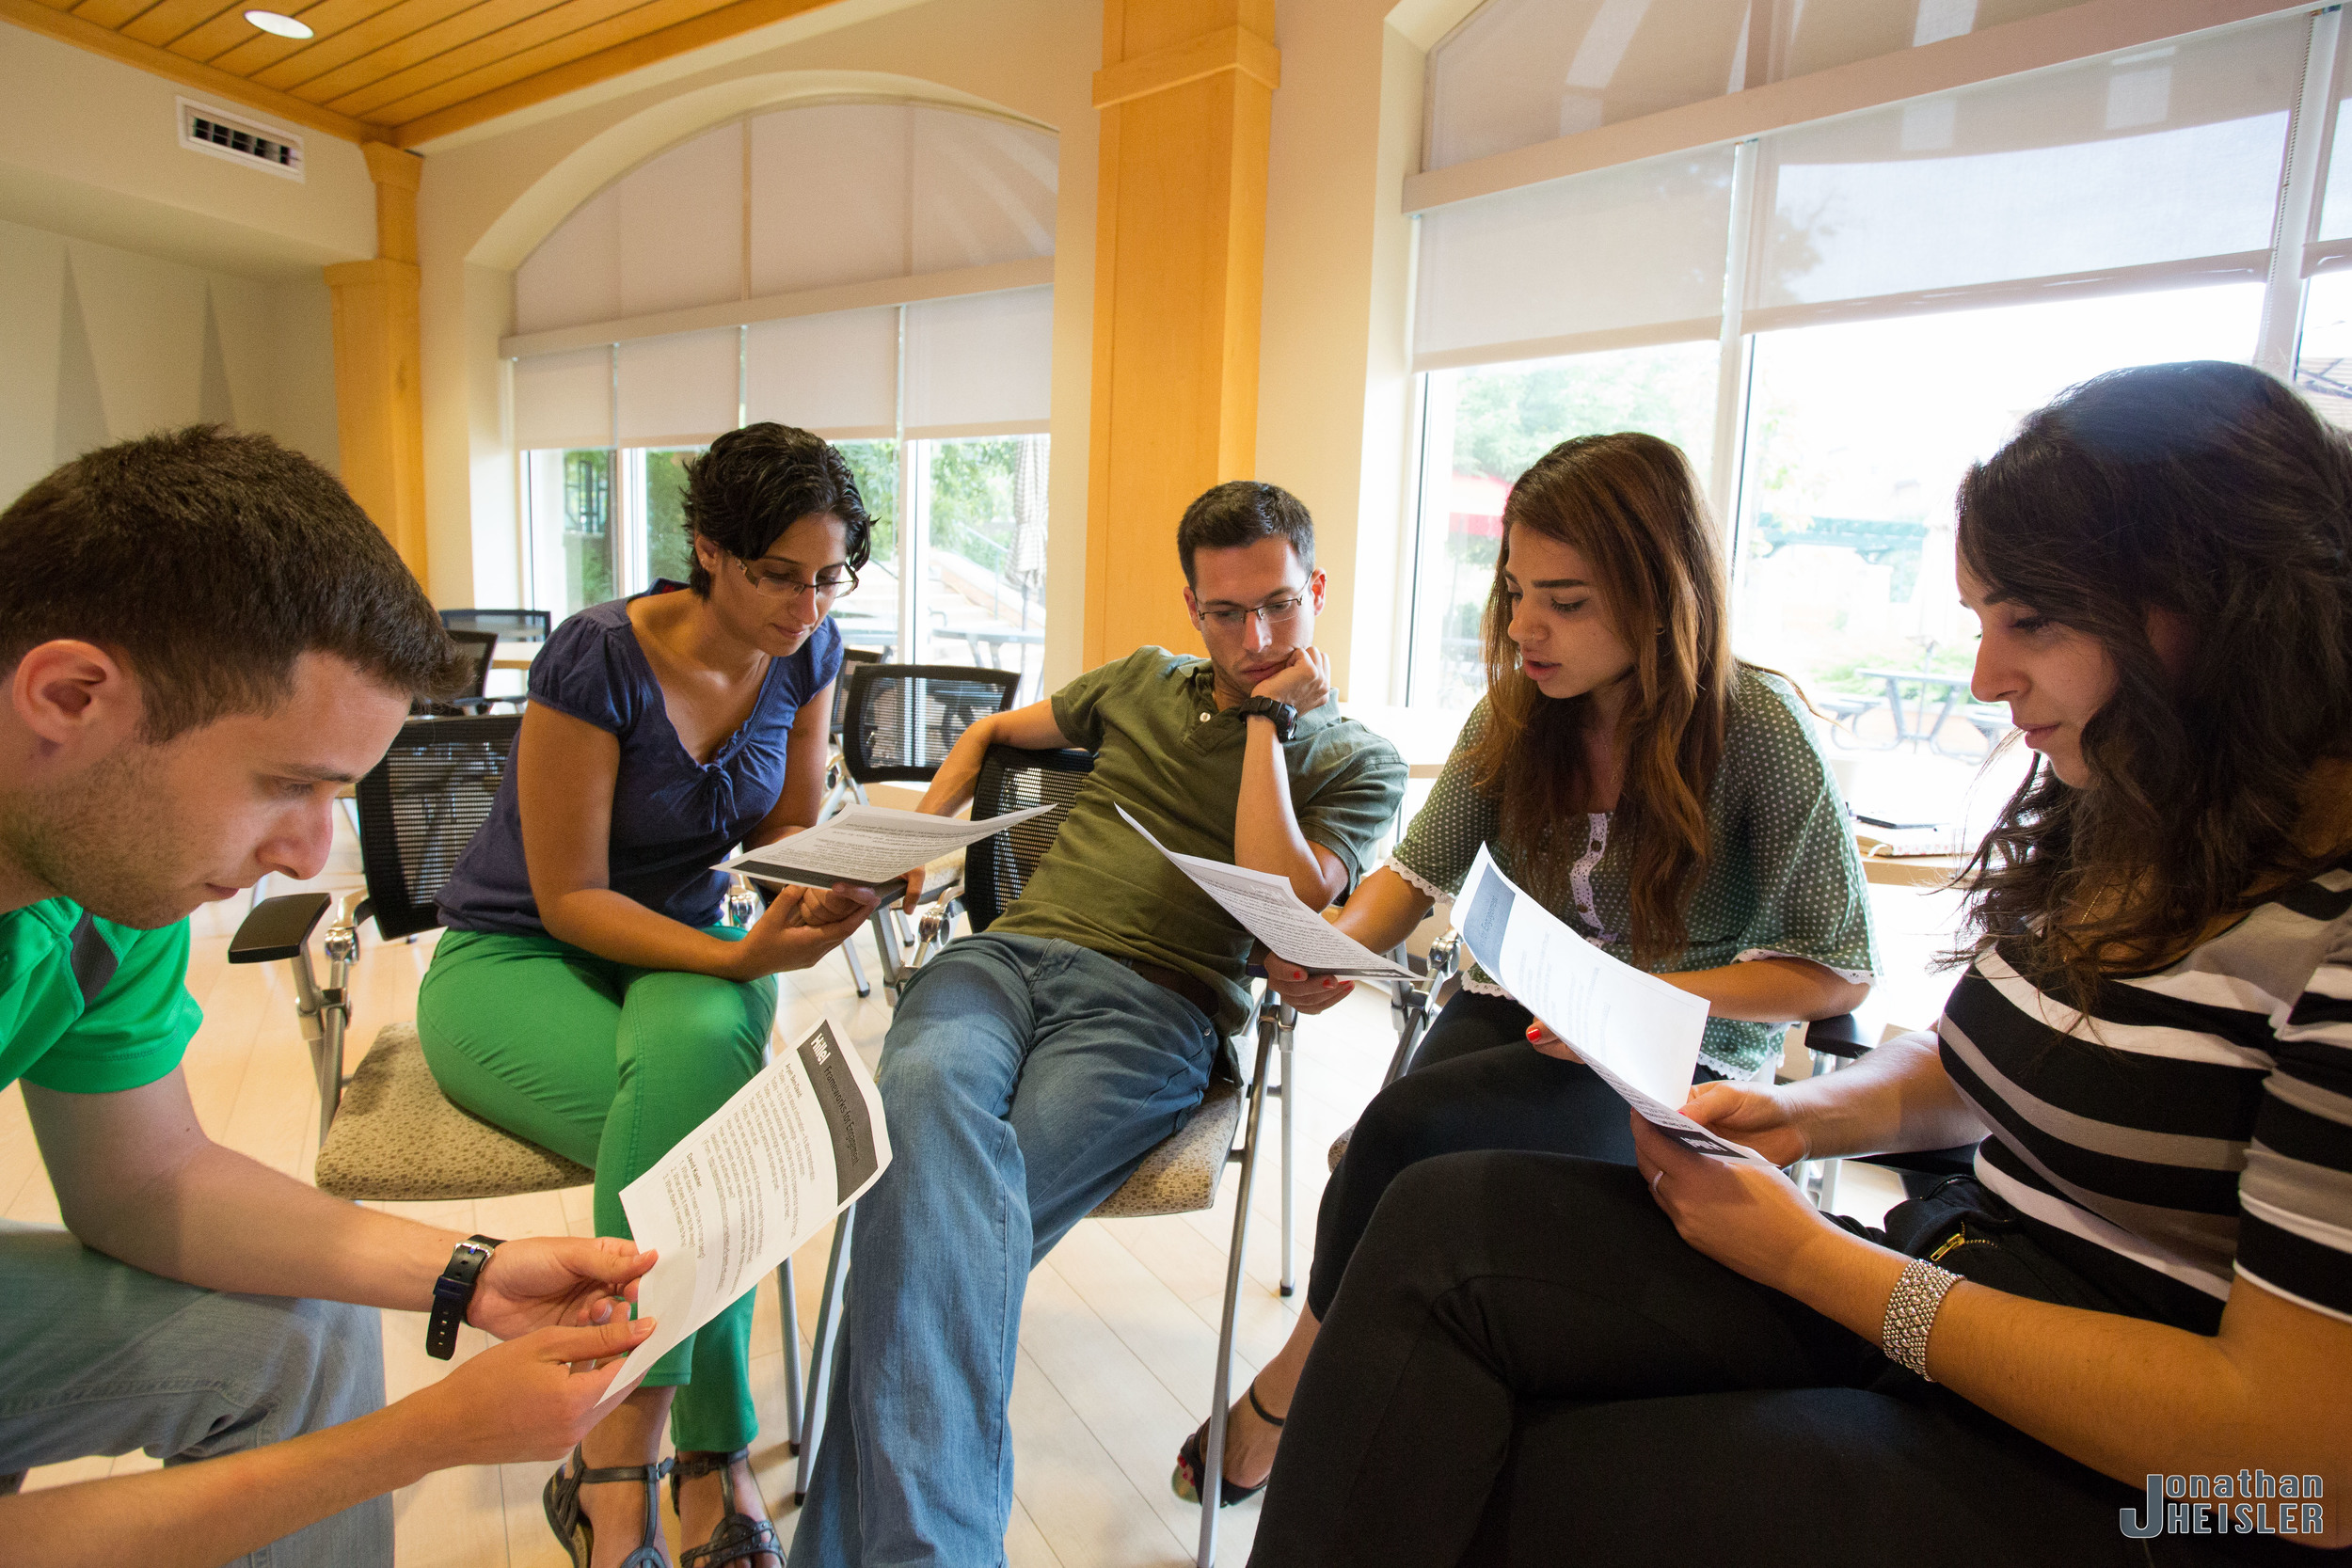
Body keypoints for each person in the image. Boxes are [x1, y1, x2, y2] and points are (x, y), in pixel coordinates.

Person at [1246, 362, 2352, 1565]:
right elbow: (1982, 1066)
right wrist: (1801, 1113)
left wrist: (1816, 1259)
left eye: (2029, 621)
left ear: (2222, 607)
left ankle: (1279, 1409)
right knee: (1439, 1219)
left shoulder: (2325, 937)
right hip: (1968, 1279)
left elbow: (2309, 1472)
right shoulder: (2129, 803)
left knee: (1511, 1478)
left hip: (2160, 1484)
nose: (1983, 678)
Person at [0, 427, 663, 1568]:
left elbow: (146, 1179)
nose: (310, 854)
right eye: (284, 784)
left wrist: (469, 1268)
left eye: (337, 795)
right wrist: (411, 1442)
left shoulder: (104, 886)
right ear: (68, 694)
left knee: (297, 1332)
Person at [1174, 431, 1876, 1505]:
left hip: (1669, 1054)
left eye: (1566, 600)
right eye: (1513, 592)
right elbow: (1411, 876)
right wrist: (1328, 954)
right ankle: (1364, 1402)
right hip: (1516, 1015)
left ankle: (1289, 1388)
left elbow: (1835, 969)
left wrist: (1635, 996)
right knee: (1400, 1155)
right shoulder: (1516, 713)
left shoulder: (1757, 728)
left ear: (1659, 593)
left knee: (1400, 1143)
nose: (1523, 628)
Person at [785, 480, 1406, 1566]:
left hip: (1156, 1005)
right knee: (923, 1114)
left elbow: (1292, 894)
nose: (1254, 636)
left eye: (1276, 606)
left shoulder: (1356, 758)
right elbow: (988, 728)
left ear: (1315, 589)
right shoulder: (1139, 678)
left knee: (929, 1217)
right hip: (1001, 960)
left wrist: (1268, 719)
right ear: (1190, 605)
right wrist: (917, 835)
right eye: (1224, 613)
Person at [417, 423, 895, 1568]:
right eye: (781, 572)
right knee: (715, 1148)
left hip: (686, 940)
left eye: (831, 576)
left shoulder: (809, 654)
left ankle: (611, 1460)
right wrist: (742, 961)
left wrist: (851, 863)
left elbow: (782, 830)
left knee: (693, 1125)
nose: (808, 603)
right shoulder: (596, 655)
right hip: (520, 952)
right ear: (709, 548)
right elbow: (570, 891)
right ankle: (700, 1448)